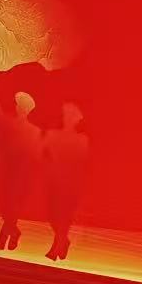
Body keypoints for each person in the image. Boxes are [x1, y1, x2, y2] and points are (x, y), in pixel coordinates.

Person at [0, 91, 42, 252]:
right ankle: (12, 233)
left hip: (20, 173)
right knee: (6, 206)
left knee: (11, 207)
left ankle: (4, 238)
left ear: (20, 108)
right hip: (9, 171)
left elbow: (35, 154)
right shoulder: (13, 126)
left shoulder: (32, 130)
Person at [41, 102, 90, 263]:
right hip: (54, 180)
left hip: (71, 183)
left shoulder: (82, 140)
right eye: (66, 115)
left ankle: (57, 246)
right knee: (52, 215)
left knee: (64, 216)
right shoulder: (52, 135)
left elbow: (82, 163)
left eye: (71, 116)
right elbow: (43, 153)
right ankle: (63, 241)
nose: (68, 119)